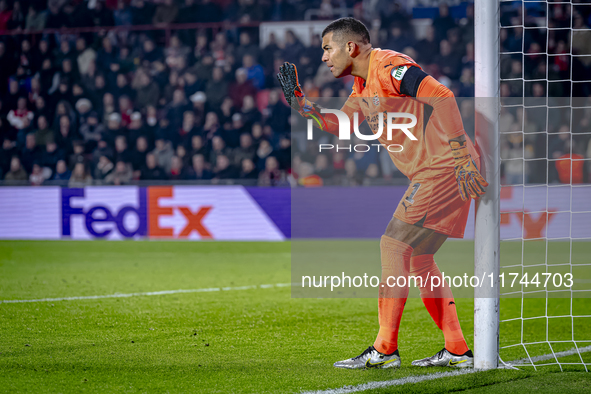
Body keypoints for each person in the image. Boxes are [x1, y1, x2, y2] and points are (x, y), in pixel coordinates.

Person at [277, 18, 488, 370]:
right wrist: (302, 105)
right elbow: (339, 126)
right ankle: (457, 349)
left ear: (351, 47)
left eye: (328, 49)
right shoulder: (361, 86)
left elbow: (444, 96)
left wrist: (462, 157)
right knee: (420, 260)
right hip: (437, 169)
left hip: (445, 166)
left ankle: (385, 349)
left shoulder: (390, 67)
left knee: (393, 244)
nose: (324, 58)